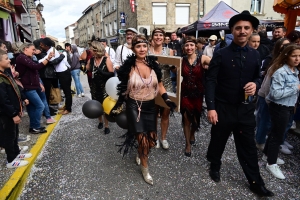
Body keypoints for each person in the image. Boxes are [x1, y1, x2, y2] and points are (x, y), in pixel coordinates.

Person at [205, 10, 274, 197]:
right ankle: (215, 164)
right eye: (238, 28)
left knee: (248, 147)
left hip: (244, 109)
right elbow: (210, 80)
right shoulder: (221, 53)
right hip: (223, 107)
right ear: (232, 30)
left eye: (246, 28)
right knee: (218, 140)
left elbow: (258, 77)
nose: (242, 31)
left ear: (252, 30)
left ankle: (255, 182)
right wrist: (211, 107)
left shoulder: (255, 55)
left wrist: (256, 84)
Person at [111, 35, 176, 185]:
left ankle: (141, 152)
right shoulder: (129, 67)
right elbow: (121, 88)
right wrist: (118, 104)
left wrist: (166, 99)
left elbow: (159, 84)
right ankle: (145, 169)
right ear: (133, 49)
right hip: (135, 106)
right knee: (144, 141)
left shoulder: (154, 64)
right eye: (138, 46)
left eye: (144, 46)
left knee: (152, 141)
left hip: (150, 106)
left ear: (147, 47)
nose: (142, 49)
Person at [263, 44, 300, 179]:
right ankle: (271, 163)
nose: (297, 59)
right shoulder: (280, 72)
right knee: (277, 135)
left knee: (276, 132)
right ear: (286, 56)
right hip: (280, 107)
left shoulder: (294, 70)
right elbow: (275, 94)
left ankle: (267, 155)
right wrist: (296, 88)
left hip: (289, 106)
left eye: (299, 56)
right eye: (294, 56)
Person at [256, 38, 290, 152]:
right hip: (268, 97)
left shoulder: (283, 62)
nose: (286, 48)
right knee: (264, 121)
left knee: (266, 121)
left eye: (288, 45)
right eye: (283, 46)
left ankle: (263, 139)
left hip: (274, 98)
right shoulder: (275, 62)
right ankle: (260, 141)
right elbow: (267, 84)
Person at [0, 49, 32, 168]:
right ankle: (11, 160)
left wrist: (22, 98)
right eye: (6, 59)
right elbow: (3, 100)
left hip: (13, 110)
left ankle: (16, 153)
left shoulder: (6, 73)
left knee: (14, 133)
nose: (9, 60)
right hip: (7, 113)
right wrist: (13, 114)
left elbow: (15, 89)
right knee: (9, 135)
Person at [180, 36, 210, 157]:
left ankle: (193, 133)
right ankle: (188, 144)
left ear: (195, 46)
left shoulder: (203, 58)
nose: (189, 47)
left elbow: (217, 66)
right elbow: (171, 69)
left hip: (198, 94)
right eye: (187, 45)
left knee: (196, 120)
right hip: (185, 93)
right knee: (186, 119)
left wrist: (208, 69)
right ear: (183, 47)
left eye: (191, 45)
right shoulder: (181, 60)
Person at [15, 43, 54, 133]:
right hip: (28, 87)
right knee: (40, 106)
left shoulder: (27, 58)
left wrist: (39, 84)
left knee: (32, 107)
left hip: (33, 85)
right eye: (32, 49)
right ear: (25, 49)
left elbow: (34, 72)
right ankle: (35, 126)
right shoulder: (21, 57)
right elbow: (35, 66)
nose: (34, 52)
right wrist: (48, 58)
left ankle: (34, 127)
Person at [148, 28, 174, 150]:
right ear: (153, 37)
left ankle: (163, 138)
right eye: (156, 35)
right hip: (152, 86)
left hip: (167, 85)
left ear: (163, 38)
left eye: (160, 35)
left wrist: (175, 66)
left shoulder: (169, 51)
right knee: (154, 113)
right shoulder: (147, 52)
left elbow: (173, 70)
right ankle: (155, 136)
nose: (158, 37)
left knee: (165, 113)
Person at [86, 41, 114, 134]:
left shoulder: (106, 59)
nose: (90, 51)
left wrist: (102, 72)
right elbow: (87, 68)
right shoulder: (92, 60)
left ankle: (106, 126)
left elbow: (112, 73)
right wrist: (86, 65)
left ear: (96, 50)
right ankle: (100, 121)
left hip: (104, 87)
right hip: (94, 86)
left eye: (91, 49)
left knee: (105, 106)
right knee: (97, 105)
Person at [39, 37, 72, 115]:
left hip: (63, 72)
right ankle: (66, 106)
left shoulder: (52, 51)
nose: (41, 46)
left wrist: (61, 56)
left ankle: (68, 109)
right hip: (60, 72)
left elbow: (52, 61)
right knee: (65, 90)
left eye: (42, 45)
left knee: (67, 91)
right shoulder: (50, 50)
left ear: (46, 45)